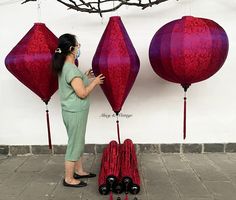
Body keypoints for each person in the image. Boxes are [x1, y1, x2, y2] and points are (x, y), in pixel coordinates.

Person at [52, 33, 105, 187]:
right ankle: (69, 178)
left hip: (71, 111)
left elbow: (74, 85)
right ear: (71, 49)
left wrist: (84, 76)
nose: (79, 47)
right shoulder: (72, 70)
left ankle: (79, 171)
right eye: (77, 45)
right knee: (75, 144)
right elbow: (82, 93)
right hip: (75, 112)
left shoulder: (66, 67)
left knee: (78, 142)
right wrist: (94, 82)